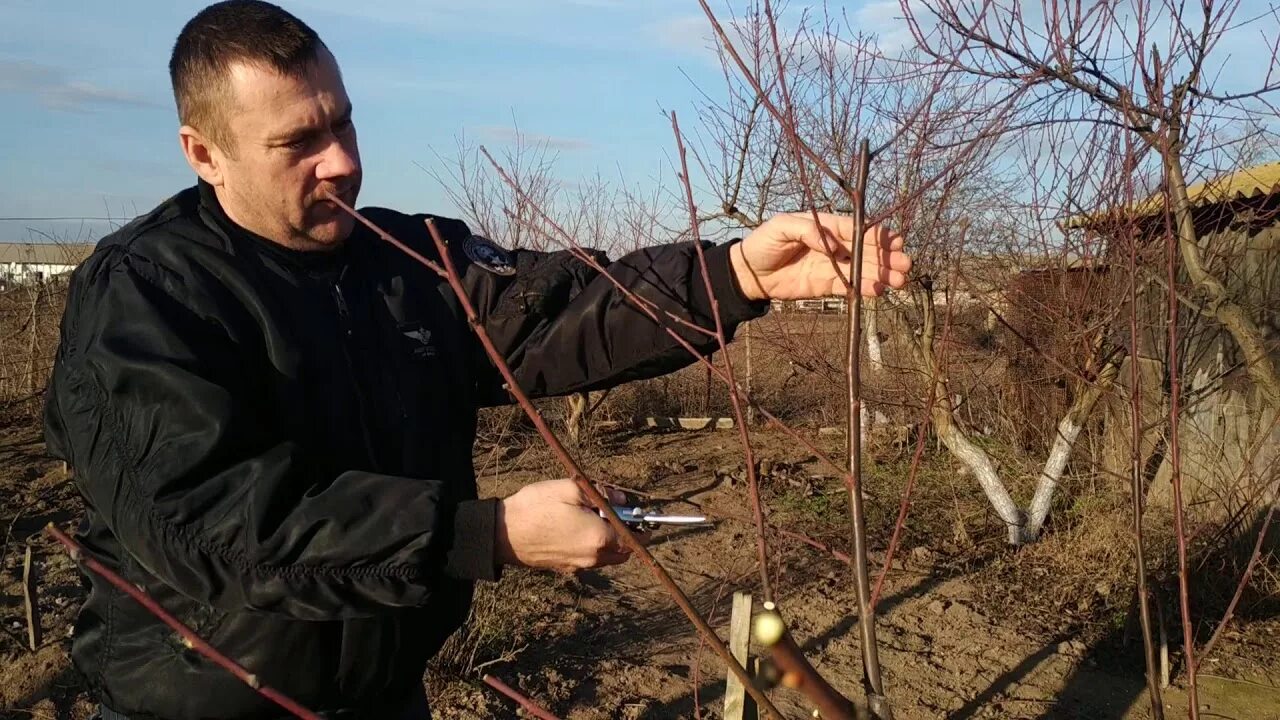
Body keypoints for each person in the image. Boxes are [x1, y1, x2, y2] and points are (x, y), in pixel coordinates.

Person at [42, 2, 911, 719]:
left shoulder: (405, 259)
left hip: (385, 690)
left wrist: (735, 273)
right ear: (204, 153)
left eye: (344, 122)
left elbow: (559, 311)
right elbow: (212, 520)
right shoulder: (144, 295)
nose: (342, 160)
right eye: (298, 142)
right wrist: (480, 535)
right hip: (211, 703)